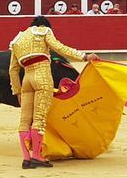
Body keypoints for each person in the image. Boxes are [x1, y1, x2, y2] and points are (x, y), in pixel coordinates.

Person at [9, 16, 99, 169]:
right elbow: (60, 48)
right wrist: (84, 56)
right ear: (44, 25)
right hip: (42, 75)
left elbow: (13, 70)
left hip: (26, 80)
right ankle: (37, 157)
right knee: (39, 118)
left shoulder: (17, 40)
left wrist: (17, 91)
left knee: (24, 121)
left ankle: (26, 159)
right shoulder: (44, 31)